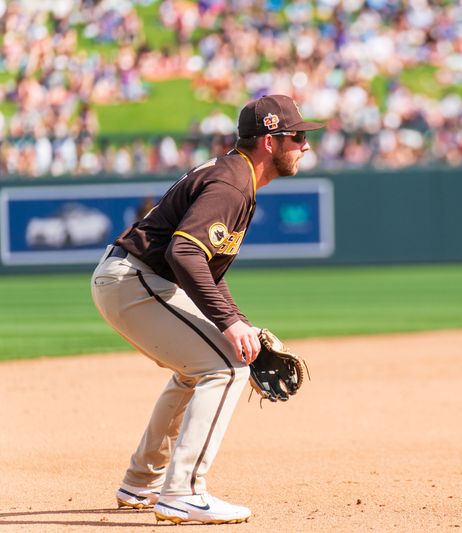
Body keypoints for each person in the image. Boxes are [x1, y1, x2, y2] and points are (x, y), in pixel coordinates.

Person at [90, 95, 323, 525]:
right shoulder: (233, 184)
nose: (306, 145)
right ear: (270, 141)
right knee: (227, 366)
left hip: (133, 278)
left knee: (202, 365)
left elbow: (206, 271)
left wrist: (239, 322)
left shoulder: (237, 175)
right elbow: (184, 254)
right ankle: (183, 492)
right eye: (298, 136)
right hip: (135, 280)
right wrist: (231, 325)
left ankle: (141, 481)